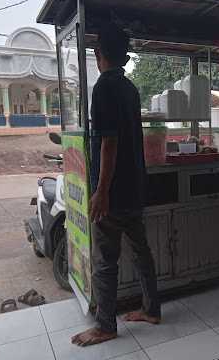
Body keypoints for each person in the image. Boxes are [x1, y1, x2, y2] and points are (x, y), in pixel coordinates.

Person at [71, 23, 161, 347]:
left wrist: (101, 191)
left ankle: (105, 325)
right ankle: (151, 310)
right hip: (135, 188)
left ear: (99, 54)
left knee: (105, 261)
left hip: (114, 194)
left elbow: (109, 143)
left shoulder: (103, 88)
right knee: (141, 252)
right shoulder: (130, 88)